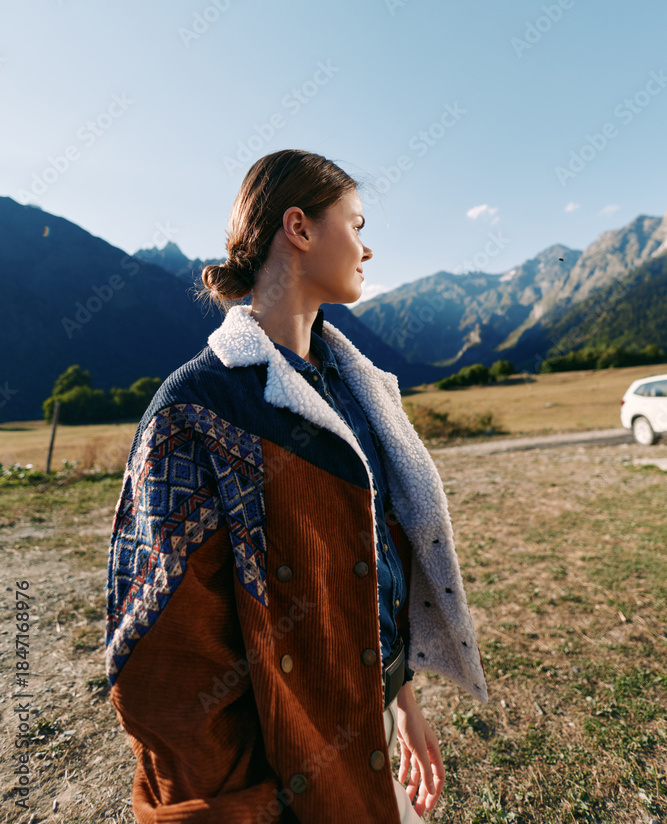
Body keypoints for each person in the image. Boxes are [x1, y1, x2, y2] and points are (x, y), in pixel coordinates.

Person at [105, 148, 488, 824]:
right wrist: (238, 807)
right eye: (357, 224)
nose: (366, 250)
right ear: (299, 228)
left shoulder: (356, 389)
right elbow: (162, 660)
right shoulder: (194, 410)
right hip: (282, 781)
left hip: (367, 733)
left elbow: (373, 569)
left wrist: (401, 701)